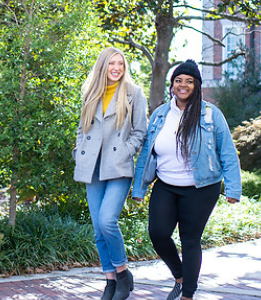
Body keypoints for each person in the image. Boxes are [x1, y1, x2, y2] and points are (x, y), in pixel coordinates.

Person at [131, 59, 242, 300]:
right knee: (158, 233)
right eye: (178, 81)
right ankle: (180, 276)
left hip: (202, 188)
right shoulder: (161, 114)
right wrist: (139, 187)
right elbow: (146, 153)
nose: (183, 85)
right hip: (166, 185)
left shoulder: (211, 113)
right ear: (172, 85)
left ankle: (187, 294)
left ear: (197, 85)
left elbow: (227, 152)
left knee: (190, 239)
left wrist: (233, 188)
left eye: (189, 81)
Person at [73, 47, 148, 300]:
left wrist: (126, 151)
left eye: (121, 64)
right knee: (97, 228)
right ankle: (110, 281)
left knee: (107, 221)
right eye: (111, 64)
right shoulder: (90, 92)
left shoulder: (133, 93)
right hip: (91, 165)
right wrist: (79, 150)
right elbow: (81, 129)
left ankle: (123, 274)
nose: (116, 68)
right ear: (103, 66)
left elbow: (140, 131)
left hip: (117, 166)